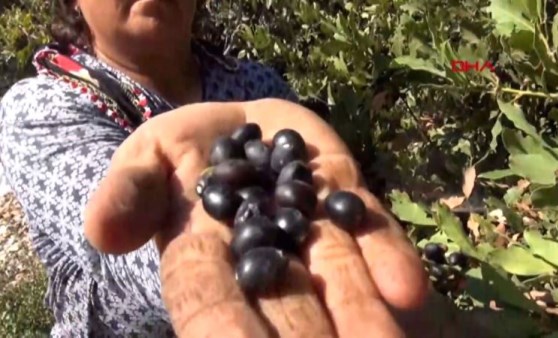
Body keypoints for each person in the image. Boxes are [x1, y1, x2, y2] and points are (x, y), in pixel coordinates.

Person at [0, 0, 428, 337]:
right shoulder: (42, 108)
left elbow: (304, 184)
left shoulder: (257, 86)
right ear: (72, 2)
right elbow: (118, 257)